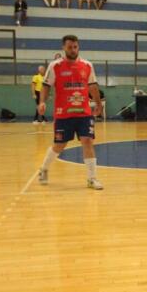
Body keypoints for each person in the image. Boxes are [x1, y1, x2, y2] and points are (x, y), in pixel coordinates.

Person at [36, 35, 104, 190]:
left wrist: (98, 104)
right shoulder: (55, 66)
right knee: (59, 145)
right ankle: (44, 170)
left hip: (84, 113)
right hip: (63, 114)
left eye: (75, 47)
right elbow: (46, 86)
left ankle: (92, 178)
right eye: (69, 47)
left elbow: (93, 86)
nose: (73, 50)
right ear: (63, 48)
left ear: (78, 47)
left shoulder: (87, 65)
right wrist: (42, 102)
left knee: (87, 141)